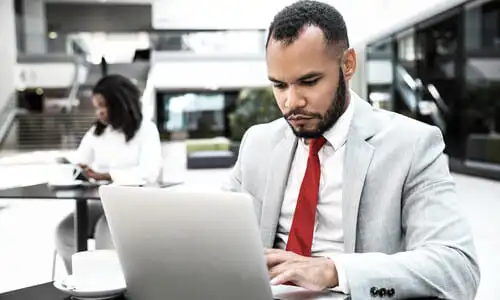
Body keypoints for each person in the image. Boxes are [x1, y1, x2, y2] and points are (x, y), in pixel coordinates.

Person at [223, 1, 480, 299]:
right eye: (279, 85)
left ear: (347, 65)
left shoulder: (412, 144)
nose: (291, 102)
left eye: (309, 81)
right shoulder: (258, 143)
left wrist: (334, 270)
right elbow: (219, 236)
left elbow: (457, 268)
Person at [55, 74, 162, 273]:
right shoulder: (98, 132)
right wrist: (76, 168)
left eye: (103, 106)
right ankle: (79, 280)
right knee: (65, 231)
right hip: (100, 201)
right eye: (96, 107)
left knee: (106, 231)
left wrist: (106, 176)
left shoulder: (146, 130)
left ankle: (108, 285)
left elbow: (149, 173)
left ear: (120, 102)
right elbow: (81, 159)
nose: (100, 112)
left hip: (130, 205)